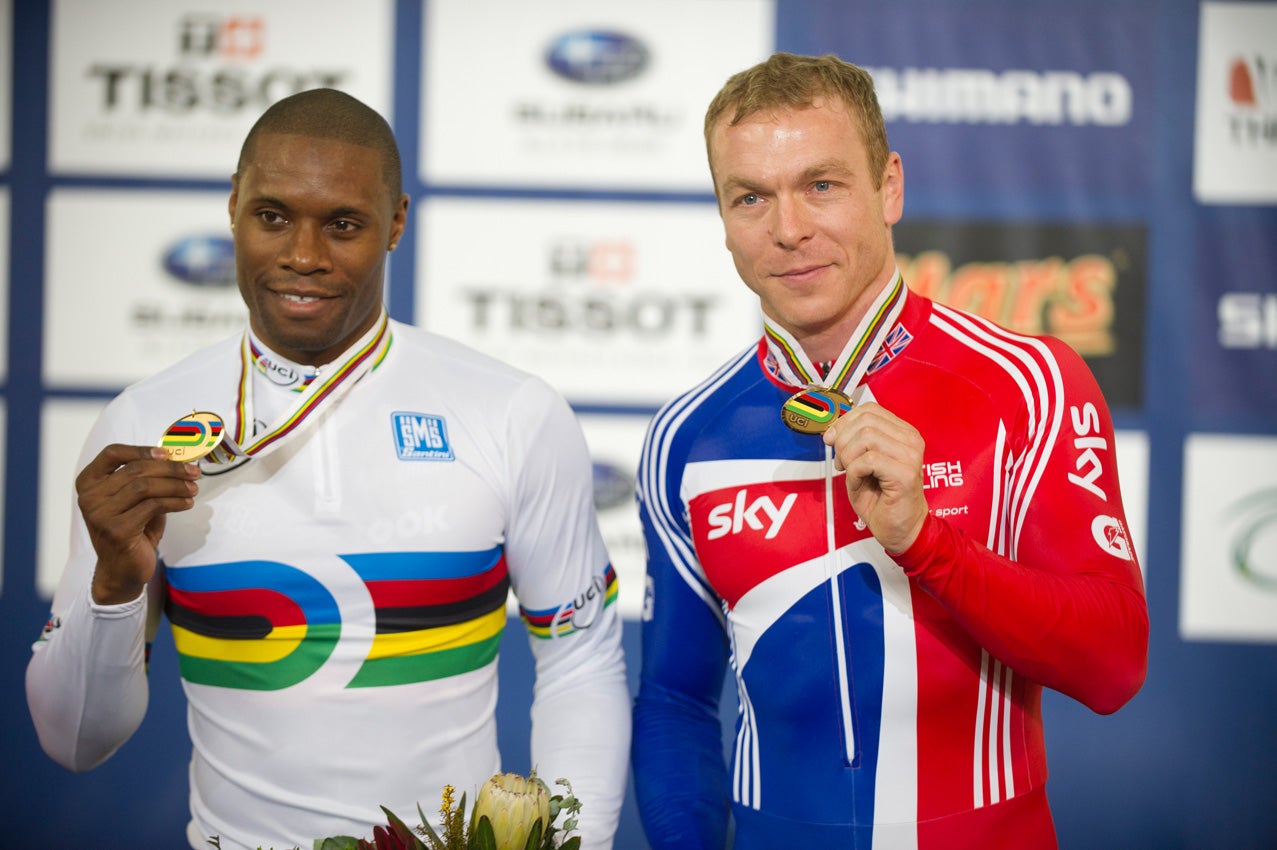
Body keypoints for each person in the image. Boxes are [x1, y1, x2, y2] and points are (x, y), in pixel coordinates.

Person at [26, 88, 630, 850]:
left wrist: (573, 843)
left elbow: (579, 660)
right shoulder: (144, 426)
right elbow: (74, 742)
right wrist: (112, 586)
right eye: (272, 216)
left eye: (342, 224)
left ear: (397, 223)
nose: (302, 255)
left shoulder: (511, 411)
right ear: (233, 208)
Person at [631, 53, 1149, 849]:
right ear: (724, 216)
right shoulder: (685, 436)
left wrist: (924, 544)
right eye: (750, 198)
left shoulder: (1030, 383)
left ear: (889, 187)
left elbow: (1112, 665)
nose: (788, 228)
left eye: (821, 185)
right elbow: (674, 700)